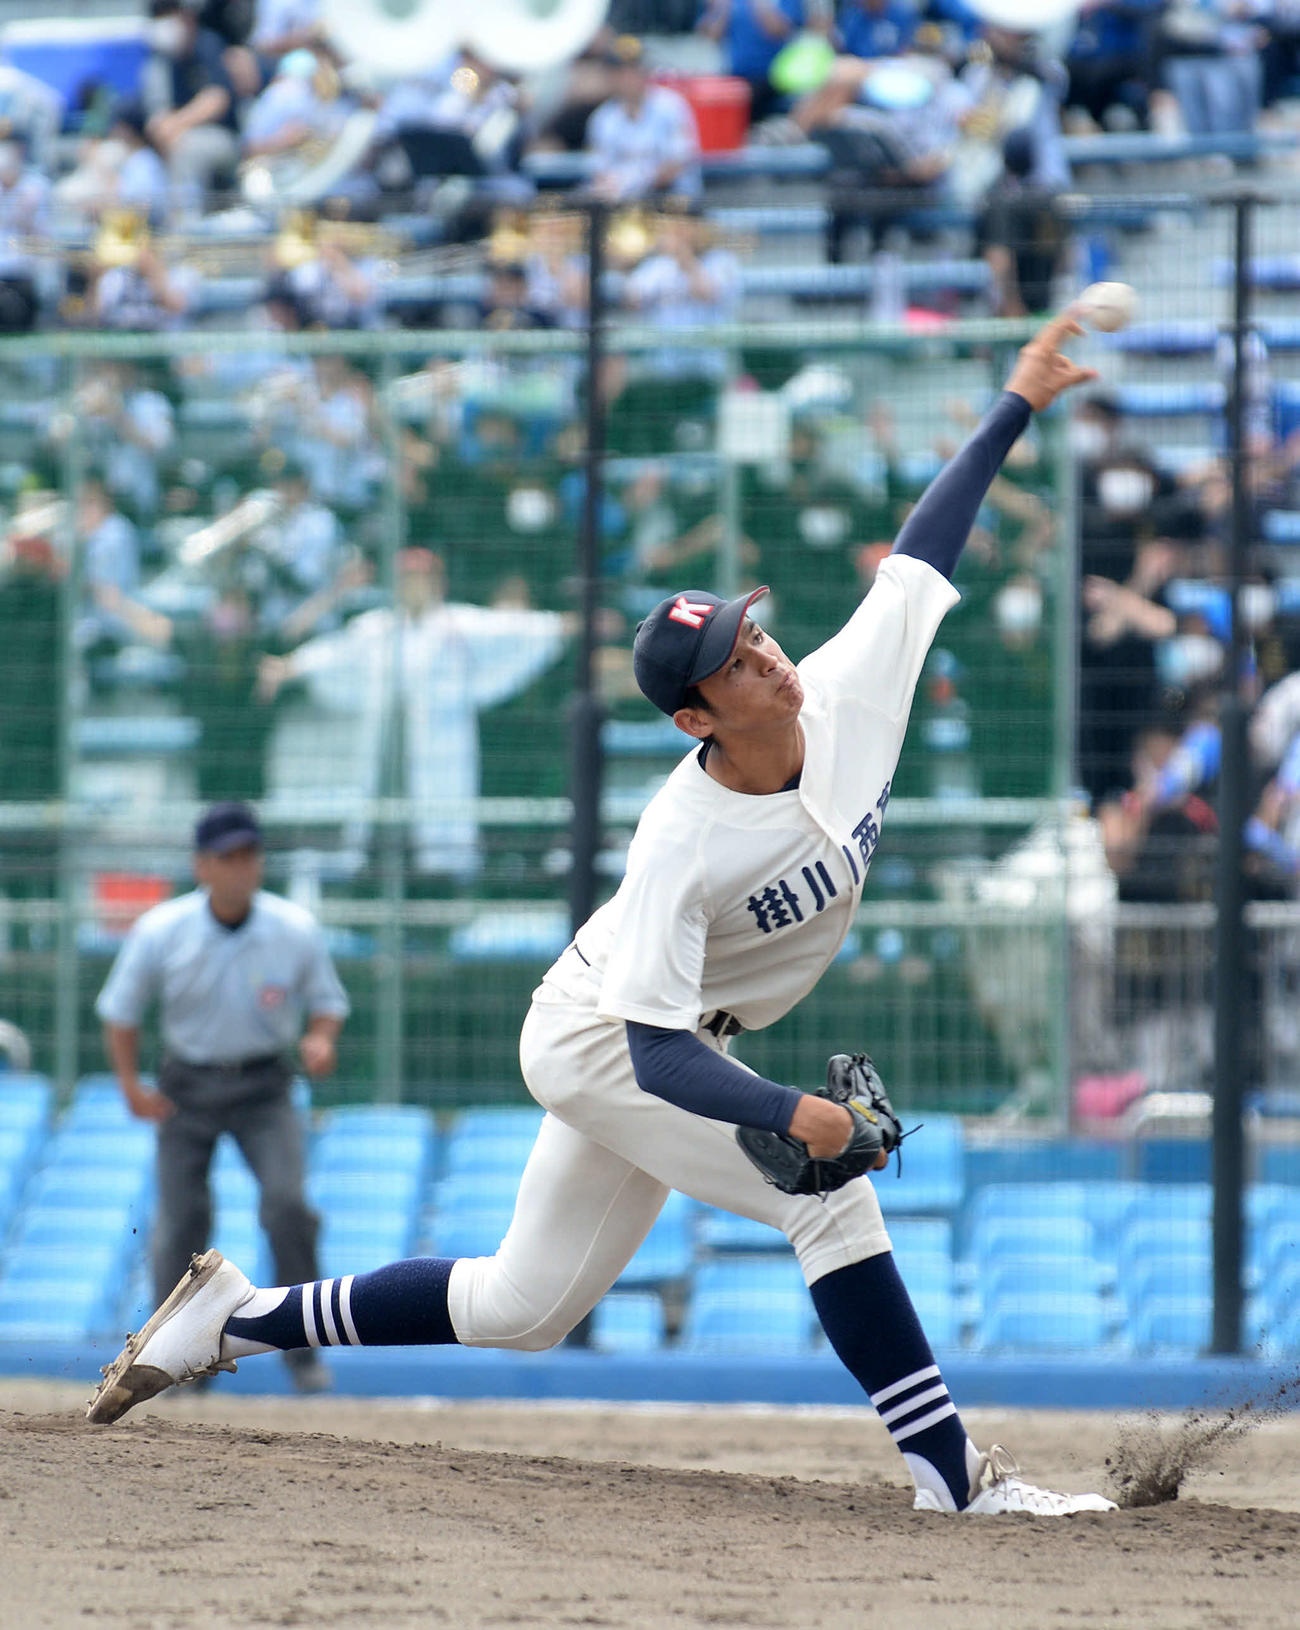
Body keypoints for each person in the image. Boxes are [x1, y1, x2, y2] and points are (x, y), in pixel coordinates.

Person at [86, 316, 1116, 1516]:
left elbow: (923, 555)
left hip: (674, 1030)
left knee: (525, 1305)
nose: (767, 657)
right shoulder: (681, 836)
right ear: (695, 718)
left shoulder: (844, 686)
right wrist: (797, 1114)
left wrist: (1014, 402)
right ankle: (953, 1481)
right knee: (825, 1191)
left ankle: (240, 1316)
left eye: (756, 632)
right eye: (736, 662)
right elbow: (651, 1051)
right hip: (609, 1031)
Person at [93, 801, 350, 1395]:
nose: (241, 868)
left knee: (288, 1206)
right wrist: (132, 1085)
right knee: (181, 1220)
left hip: (266, 1084)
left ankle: (302, 1353)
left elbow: (328, 1003)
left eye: (250, 856)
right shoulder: (162, 930)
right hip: (188, 1086)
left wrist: (319, 1038)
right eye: (227, 857)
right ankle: (170, 1364)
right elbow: (121, 1012)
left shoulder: (294, 928)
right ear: (201, 866)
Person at [257, 547, 572, 879]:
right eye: (406, 579)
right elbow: (336, 652)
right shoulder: (378, 627)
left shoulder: (456, 624)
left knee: (440, 831)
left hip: (439, 749)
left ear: (437, 583)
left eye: (419, 579)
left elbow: (511, 628)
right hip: (388, 748)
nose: (412, 586)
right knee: (378, 826)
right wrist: (290, 667)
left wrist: (562, 625)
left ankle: (442, 881)